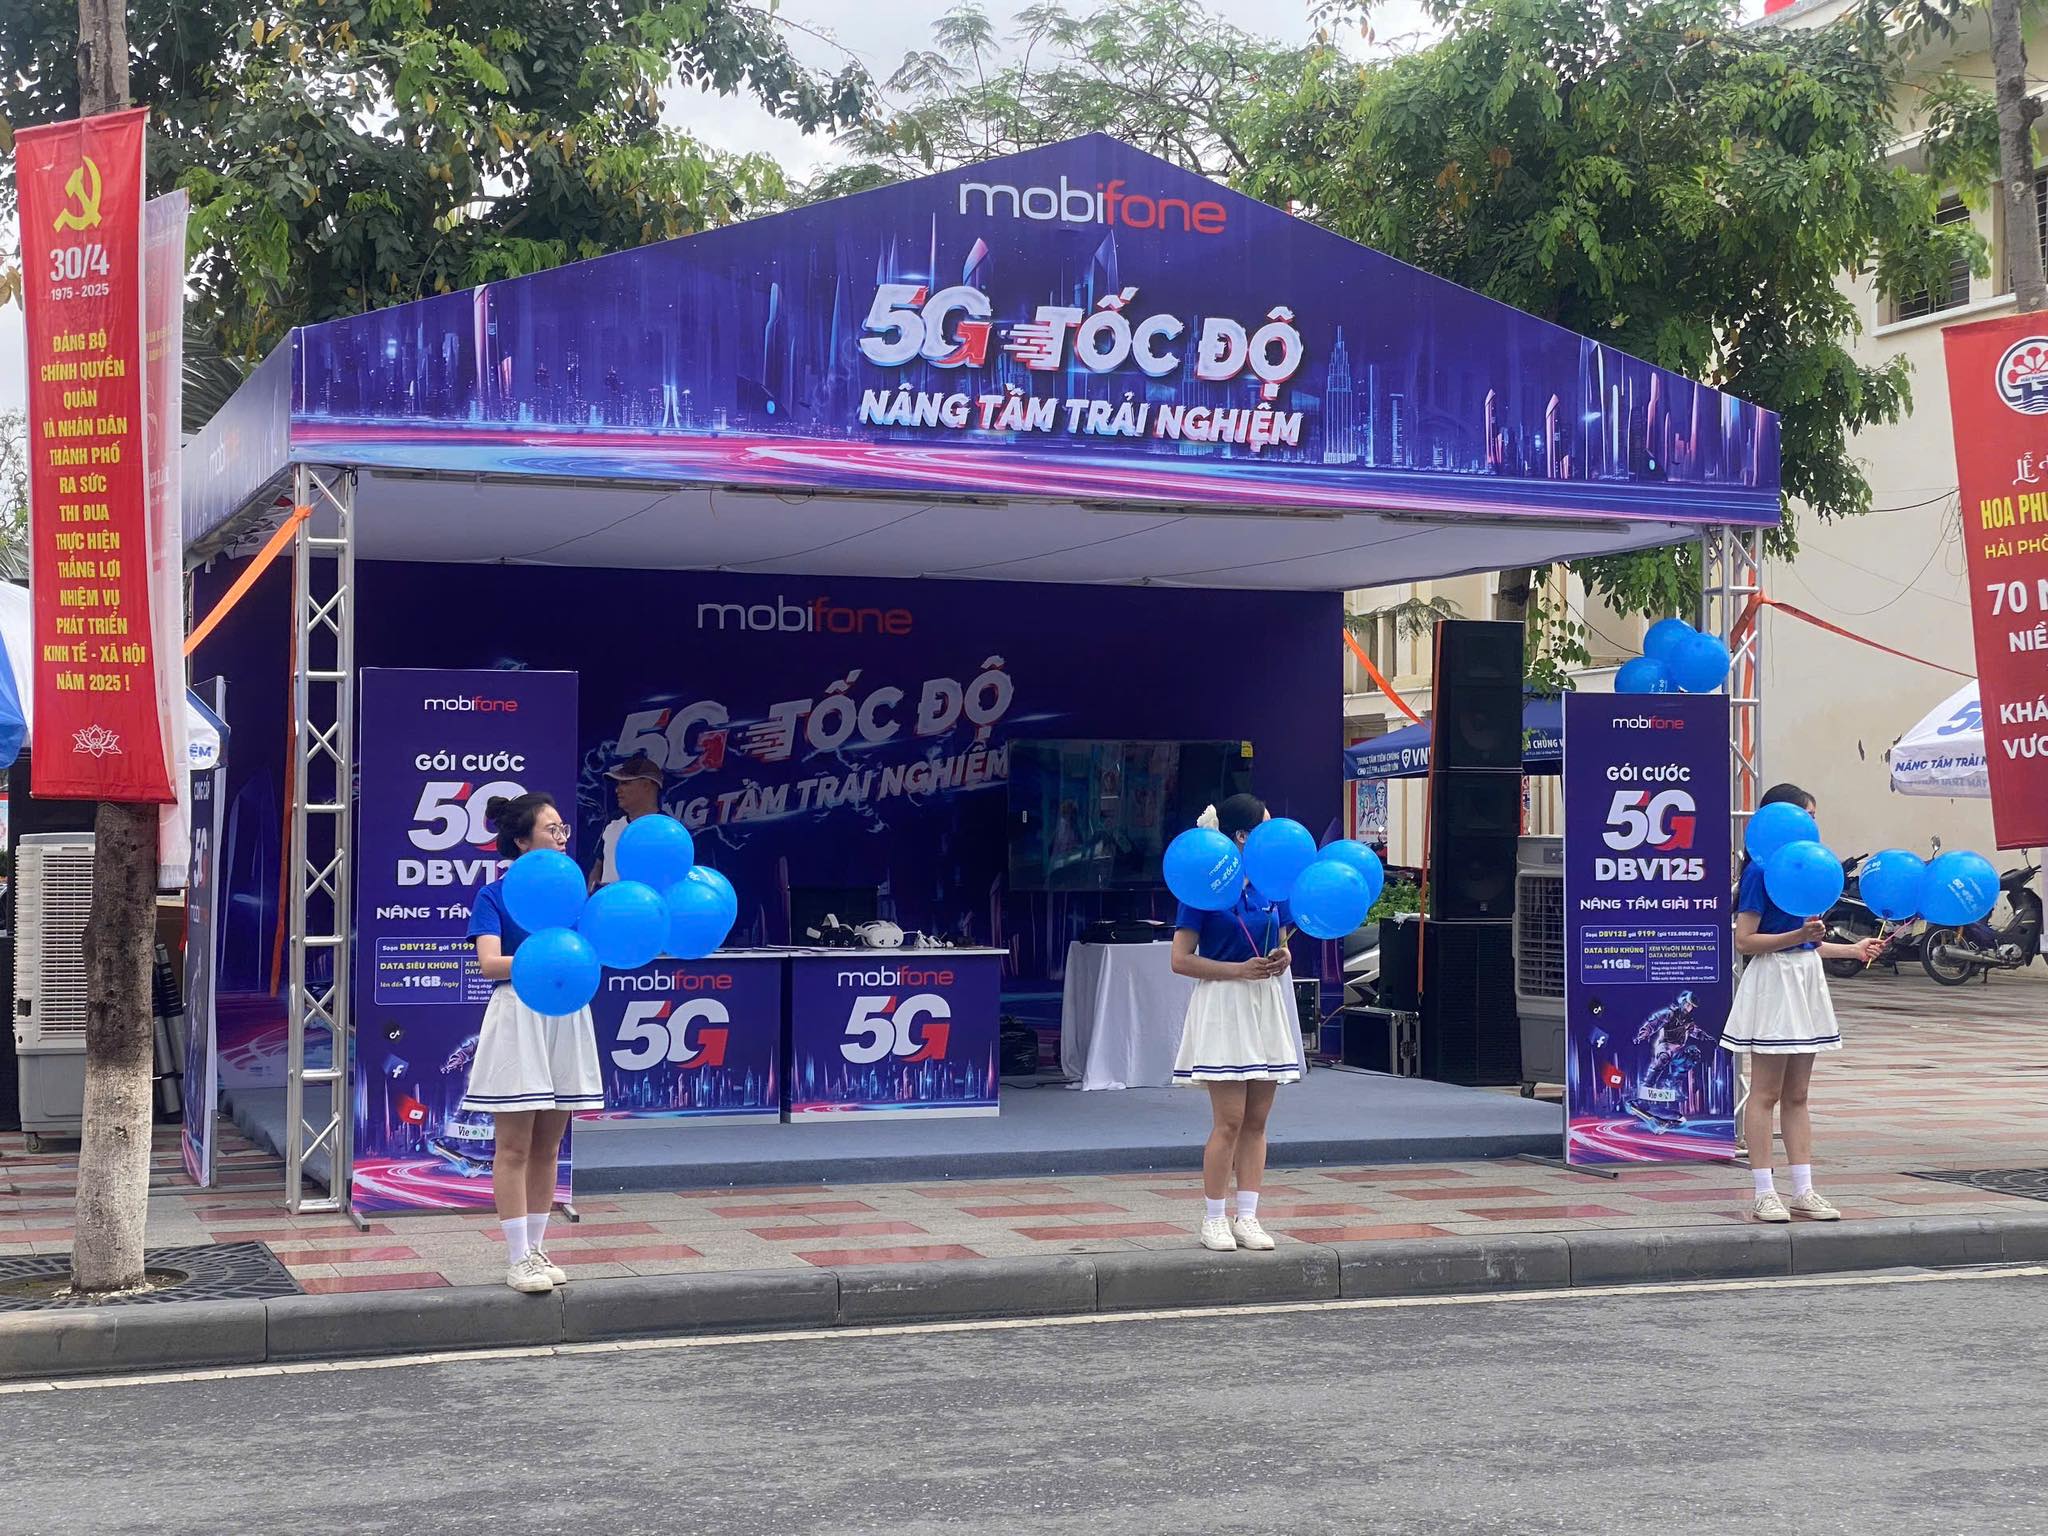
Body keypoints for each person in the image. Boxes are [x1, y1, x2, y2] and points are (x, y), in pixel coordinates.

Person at [463, 792, 606, 1294]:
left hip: (565, 1014)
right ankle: (516, 1257)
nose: (562, 837)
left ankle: (538, 1248)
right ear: (522, 841)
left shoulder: (575, 896)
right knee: (514, 1145)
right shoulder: (494, 895)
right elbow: (489, 964)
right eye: (551, 829)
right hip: (518, 1013)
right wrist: (543, 962)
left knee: (549, 1146)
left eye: (564, 828)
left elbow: (591, 951)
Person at [1722, 783, 1882, 1224]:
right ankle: (1764, 1191)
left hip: (1804, 978)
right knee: (1766, 1092)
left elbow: (1808, 944)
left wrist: (1853, 949)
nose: (1813, 824)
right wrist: (1799, 935)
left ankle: (1804, 1189)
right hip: (1773, 982)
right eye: (1808, 815)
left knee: (1798, 1094)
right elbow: (1745, 941)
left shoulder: (1807, 869)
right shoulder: (1759, 873)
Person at [1169, 793, 1302, 1253]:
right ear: (1242, 836)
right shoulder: (1205, 883)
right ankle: (1213, 1218)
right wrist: (1236, 971)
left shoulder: (1271, 885)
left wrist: (1282, 956)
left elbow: (1281, 942)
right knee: (1228, 1120)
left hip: (1263, 1001)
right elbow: (1180, 960)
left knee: (1257, 1120)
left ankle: (1248, 1215)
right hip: (1224, 1002)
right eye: (1264, 828)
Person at [590, 752, 665, 890]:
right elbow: (598, 865)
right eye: (618, 784)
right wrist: (592, 894)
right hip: (608, 902)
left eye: (625, 783)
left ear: (646, 785)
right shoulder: (612, 822)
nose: (617, 790)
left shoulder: (668, 829)